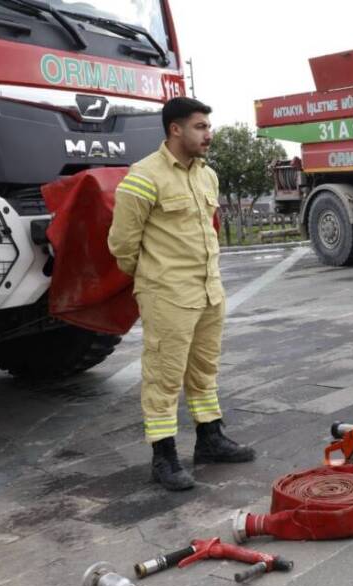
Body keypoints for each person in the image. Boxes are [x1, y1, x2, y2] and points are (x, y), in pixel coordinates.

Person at [108, 97, 254, 492]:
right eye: (200, 127)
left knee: (204, 369)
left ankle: (210, 439)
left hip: (208, 290)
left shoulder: (207, 176)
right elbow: (122, 244)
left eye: (208, 126)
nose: (209, 134)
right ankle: (164, 457)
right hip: (168, 294)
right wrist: (154, 279)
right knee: (164, 376)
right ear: (175, 129)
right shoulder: (143, 177)